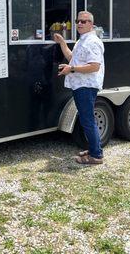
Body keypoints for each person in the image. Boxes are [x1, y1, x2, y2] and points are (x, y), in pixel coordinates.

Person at [54, 11, 105, 165]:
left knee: (88, 120)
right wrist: (62, 42)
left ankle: (96, 155)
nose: (80, 24)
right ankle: (94, 149)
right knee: (86, 120)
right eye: (78, 21)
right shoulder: (82, 40)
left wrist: (72, 69)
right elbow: (72, 59)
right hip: (80, 85)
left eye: (84, 21)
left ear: (91, 24)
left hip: (86, 86)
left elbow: (94, 66)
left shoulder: (92, 42)